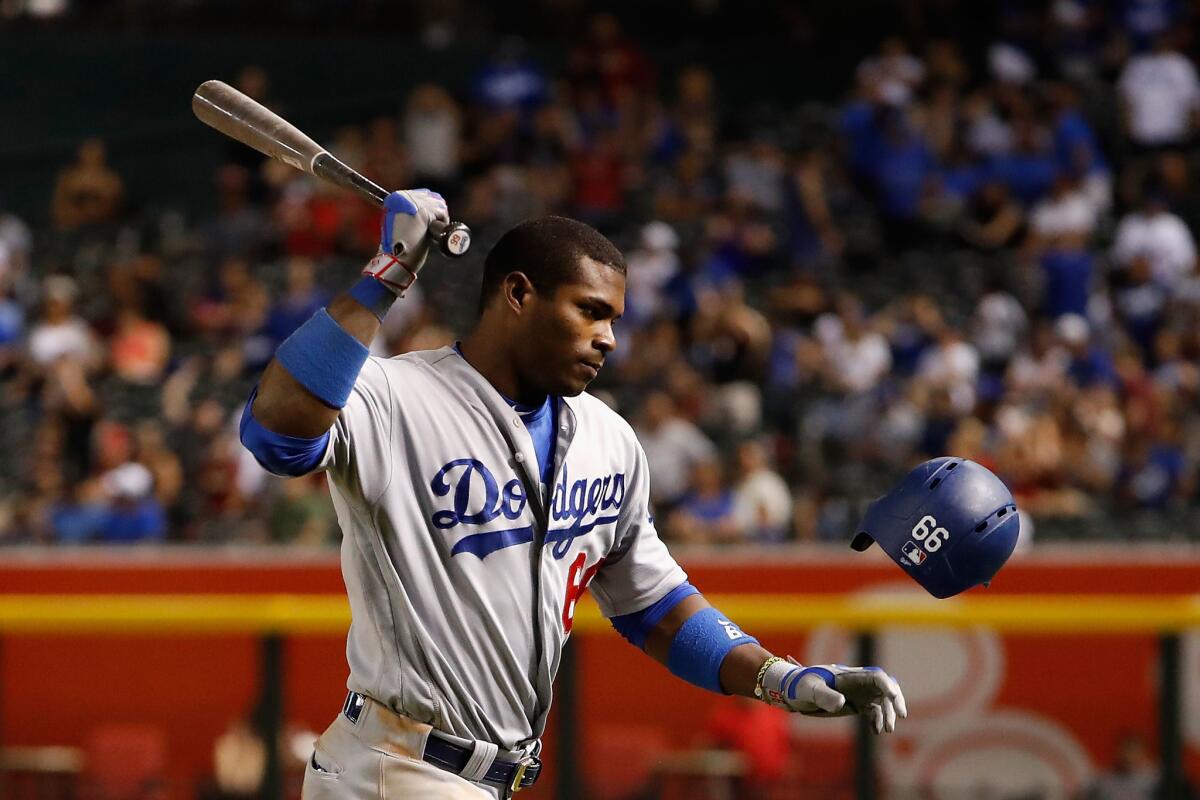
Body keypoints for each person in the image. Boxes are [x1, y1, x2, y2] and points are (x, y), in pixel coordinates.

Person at [240, 190, 906, 799]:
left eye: (613, 318)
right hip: (394, 768)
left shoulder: (607, 438)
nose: (609, 338)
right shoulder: (396, 397)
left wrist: (778, 678)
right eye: (590, 311)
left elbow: (657, 607)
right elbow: (277, 434)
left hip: (487, 779)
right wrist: (387, 273)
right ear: (519, 294)